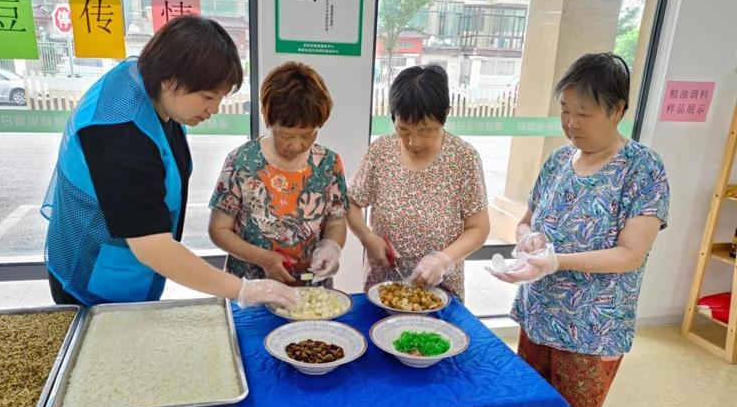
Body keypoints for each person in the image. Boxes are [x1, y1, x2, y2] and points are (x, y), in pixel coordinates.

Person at [489, 52, 670, 407]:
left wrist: (557, 260)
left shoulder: (643, 169)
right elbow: (526, 221)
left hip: (592, 334)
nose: (570, 123)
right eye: (565, 110)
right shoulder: (555, 161)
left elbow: (630, 255)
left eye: (583, 113)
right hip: (539, 319)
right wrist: (527, 241)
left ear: (617, 110)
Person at [41, 16, 298, 310]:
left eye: (220, 97)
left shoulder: (149, 86)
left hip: (127, 268)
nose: (214, 109)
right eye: (208, 97)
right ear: (170, 80)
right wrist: (243, 289)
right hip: (92, 276)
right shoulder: (120, 133)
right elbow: (153, 247)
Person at [346, 64, 489, 300]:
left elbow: (479, 228)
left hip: (440, 291)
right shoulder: (381, 151)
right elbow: (351, 202)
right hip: (384, 287)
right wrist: (366, 237)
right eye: (403, 130)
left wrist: (444, 260)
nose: (414, 142)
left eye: (426, 130)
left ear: (445, 114)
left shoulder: (463, 158)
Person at [208, 62, 348, 286]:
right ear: (266, 116)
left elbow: (336, 222)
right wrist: (263, 259)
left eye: (307, 134)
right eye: (286, 135)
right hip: (251, 286)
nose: (296, 145)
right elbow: (218, 230)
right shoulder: (242, 161)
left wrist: (331, 247)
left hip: (310, 288)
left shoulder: (329, 164)